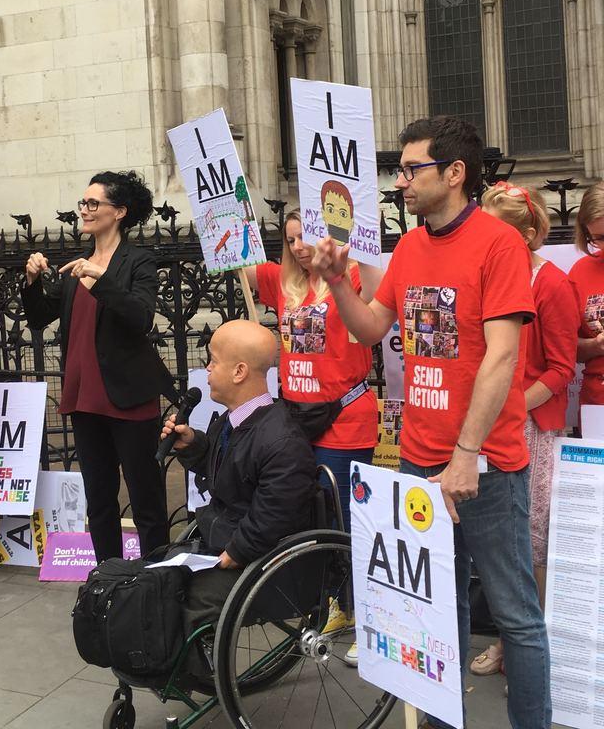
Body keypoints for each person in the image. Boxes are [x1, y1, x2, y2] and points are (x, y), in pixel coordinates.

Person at [311, 116, 550, 729]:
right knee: (440, 614)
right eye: (400, 170)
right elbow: (372, 329)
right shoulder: (411, 247)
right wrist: (339, 281)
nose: (401, 182)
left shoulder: (499, 246)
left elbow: (503, 357)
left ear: (454, 173)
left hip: (486, 466)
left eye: (412, 169)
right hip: (418, 462)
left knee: (517, 616)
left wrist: (467, 452)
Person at [22, 170, 173, 562]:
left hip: (128, 396)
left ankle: (156, 579)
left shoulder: (138, 261)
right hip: (85, 397)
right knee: (100, 501)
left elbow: (140, 317)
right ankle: (107, 578)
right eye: (83, 203)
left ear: (119, 211)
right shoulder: (79, 264)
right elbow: (39, 318)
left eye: (93, 204)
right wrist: (32, 281)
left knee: (146, 500)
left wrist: (101, 279)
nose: (85, 211)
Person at [244, 209, 381, 639]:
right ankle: (327, 601)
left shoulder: (351, 277)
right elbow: (237, 258)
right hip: (297, 418)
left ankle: (358, 611)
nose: (299, 247)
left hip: (345, 418)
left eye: (306, 236)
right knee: (311, 517)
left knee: (341, 520)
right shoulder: (281, 281)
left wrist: (360, 228)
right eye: (290, 240)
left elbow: (380, 302)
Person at [161, 320, 317, 669]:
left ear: (239, 371)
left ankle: (183, 671)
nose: (207, 369)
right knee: (154, 577)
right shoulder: (235, 420)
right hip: (221, 539)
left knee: (173, 601)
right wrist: (194, 445)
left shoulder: (282, 440)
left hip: (259, 564)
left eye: (213, 361)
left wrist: (236, 551)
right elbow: (232, 473)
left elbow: (276, 513)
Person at [469, 182, 577, 677]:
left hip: (530, 424)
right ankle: (508, 641)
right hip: (490, 420)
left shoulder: (553, 284)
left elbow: (560, 369)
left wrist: (507, 402)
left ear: (528, 233)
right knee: (494, 541)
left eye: (498, 230)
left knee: (530, 542)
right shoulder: (485, 274)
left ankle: (526, 650)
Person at [569, 182, 604, 414]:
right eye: (599, 237)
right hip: (597, 401)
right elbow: (567, 348)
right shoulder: (581, 272)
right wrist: (596, 345)